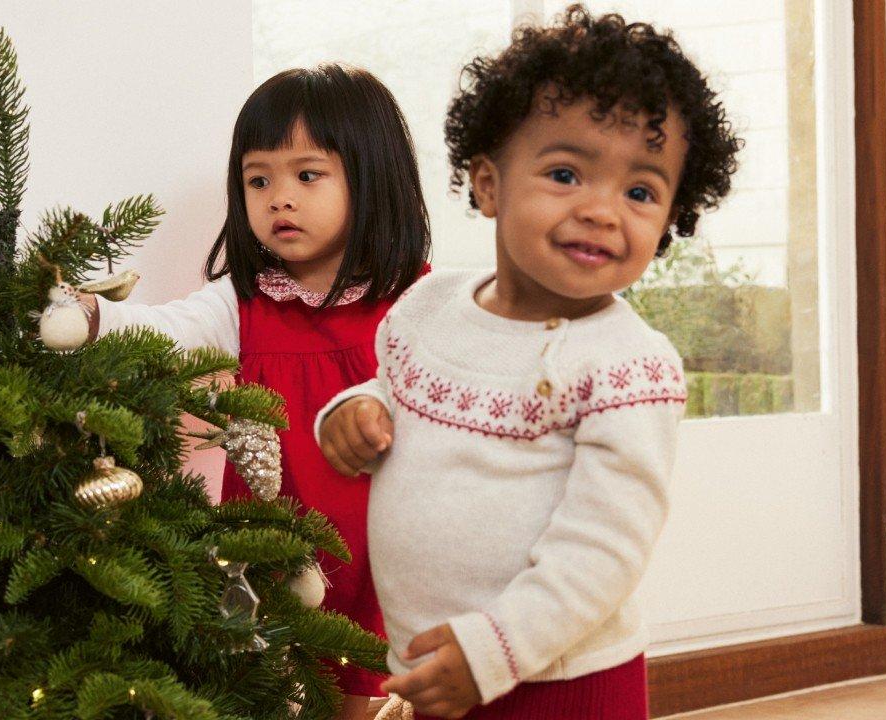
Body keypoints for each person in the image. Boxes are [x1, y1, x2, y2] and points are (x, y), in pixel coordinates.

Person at [316, 6, 741, 718]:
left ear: (670, 217)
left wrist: (493, 653)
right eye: (567, 173)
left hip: (566, 684)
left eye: (640, 191)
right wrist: (355, 414)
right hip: (432, 666)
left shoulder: (629, 368)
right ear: (487, 184)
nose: (604, 210)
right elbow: (394, 393)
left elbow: (604, 551)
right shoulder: (429, 308)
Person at [82, 63, 431, 719]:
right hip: (272, 569)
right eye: (258, 179)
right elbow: (167, 330)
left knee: (375, 705)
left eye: (307, 175)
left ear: (371, 178)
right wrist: (92, 318)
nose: (279, 197)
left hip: (390, 567)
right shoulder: (245, 302)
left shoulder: (420, 304)